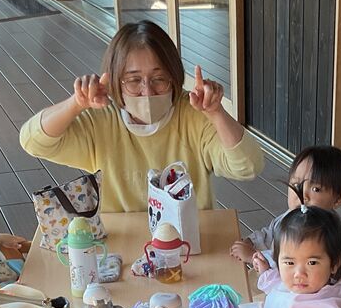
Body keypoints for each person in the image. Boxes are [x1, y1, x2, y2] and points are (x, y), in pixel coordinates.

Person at [19, 20, 264, 213]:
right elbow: (33, 142)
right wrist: (76, 104)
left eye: (159, 78)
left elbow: (248, 167)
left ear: (174, 77)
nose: (147, 91)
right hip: (124, 241)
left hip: (188, 240)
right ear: (115, 81)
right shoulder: (102, 119)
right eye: (134, 80)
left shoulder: (194, 114)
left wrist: (216, 113)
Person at [229, 145, 341, 264]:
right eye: (296, 185)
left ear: (338, 199)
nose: (303, 195)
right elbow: (270, 233)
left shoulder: (321, 234)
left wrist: (253, 257)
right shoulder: (291, 216)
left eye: (316, 189)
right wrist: (252, 242)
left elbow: (291, 267)